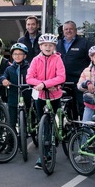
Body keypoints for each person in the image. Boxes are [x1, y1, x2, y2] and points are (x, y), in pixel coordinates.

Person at [25, 33, 66, 170]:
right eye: (45, 45)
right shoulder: (36, 60)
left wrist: (45, 84)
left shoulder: (57, 59)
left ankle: (54, 141)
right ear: (40, 46)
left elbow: (61, 76)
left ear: (54, 46)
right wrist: (43, 84)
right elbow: (29, 78)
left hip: (55, 95)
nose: (48, 47)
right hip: (41, 95)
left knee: (53, 122)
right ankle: (45, 153)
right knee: (43, 125)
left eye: (51, 45)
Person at [56, 21, 90, 119]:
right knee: (67, 107)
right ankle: (71, 130)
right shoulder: (58, 43)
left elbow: (92, 60)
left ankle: (83, 130)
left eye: (71, 29)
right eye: (66, 29)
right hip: (63, 80)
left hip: (79, 80)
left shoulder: (84, 43)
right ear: (63, 31)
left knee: (81, 105)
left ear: (75, 30)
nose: (68, 31)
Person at [1, 43, 31, 129]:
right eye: (15, 54)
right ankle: (12, 139)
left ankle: (28, 132)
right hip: (13, 96)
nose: (17, 56)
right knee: (12, 121)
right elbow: (4, 76)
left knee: (27, 118)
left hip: (26, 96)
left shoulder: (29, 67)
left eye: (20, 54)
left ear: (25, 56)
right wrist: (4, 80)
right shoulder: (9, 68)